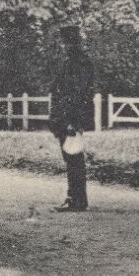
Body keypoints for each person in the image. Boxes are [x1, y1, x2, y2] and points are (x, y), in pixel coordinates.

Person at [47, 25, 96, 212]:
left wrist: (71, 121)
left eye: (65, 42)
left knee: (74, 157)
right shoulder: (70, 63)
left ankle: (77, 200)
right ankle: (74, 197)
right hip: (65, 116)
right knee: (71, 157)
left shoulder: (80, 65)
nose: (62, 46)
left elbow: (78, 94)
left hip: (71, 117)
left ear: (71, 43)